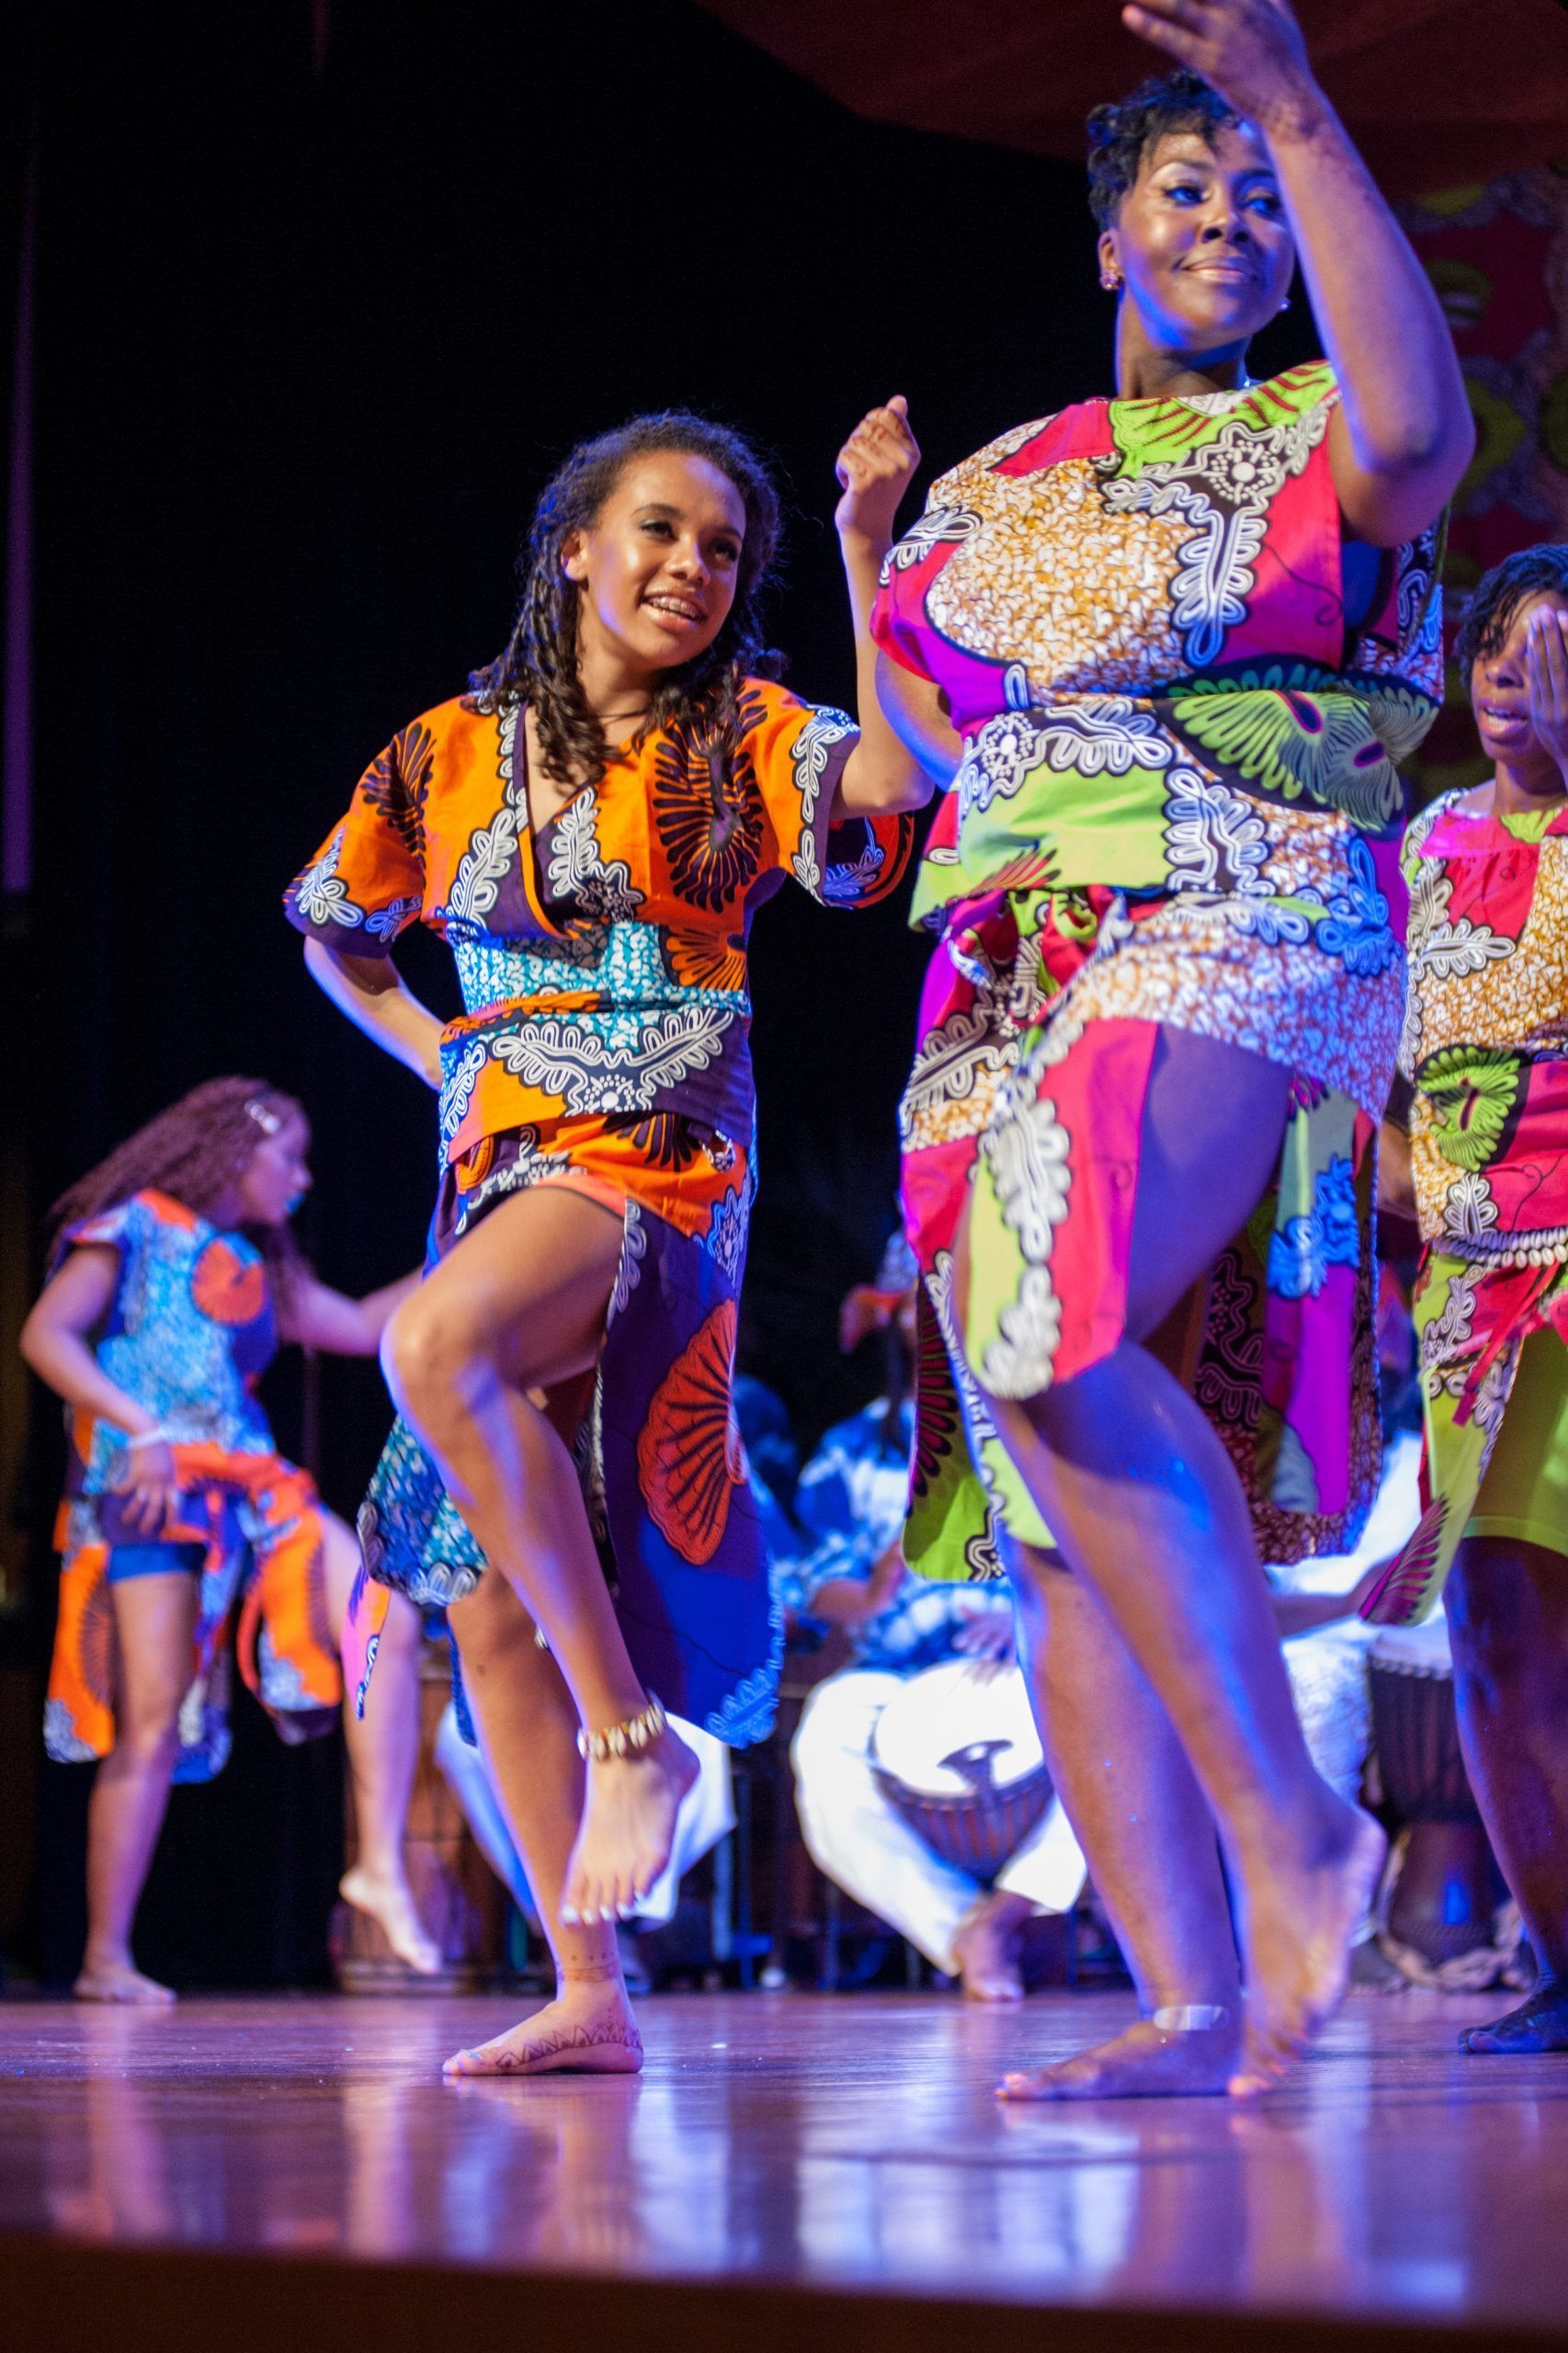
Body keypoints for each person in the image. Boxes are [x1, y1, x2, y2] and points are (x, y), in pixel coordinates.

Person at [869, 0, 1472, 2097]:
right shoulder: (988, 484)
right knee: (1047, 1500)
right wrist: (858, 559)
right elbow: (911, 757)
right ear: (1107, 235)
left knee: (1042, 1316)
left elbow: (1420, 447)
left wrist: (1297, 103)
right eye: (1185, 187)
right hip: (994, 983)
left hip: (1237, 892)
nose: (1228, 219)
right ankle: (1192, 1993)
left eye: (1256, 197)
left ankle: (1298, 1841)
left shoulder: (1311, 417)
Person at [287, 408, 926, 2076]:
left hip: (662, 1144)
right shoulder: (444, 751)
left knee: (431, 1344)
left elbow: (890, 785)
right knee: (492, 1592)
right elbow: (339, 930)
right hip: (502, 1162)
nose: (691, 568)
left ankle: (630, 1735)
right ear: (575, 547)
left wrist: (861, 547)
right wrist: (449, 1057)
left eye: (723, 550)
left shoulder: (743, 731)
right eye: (659, 530)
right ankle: (589, 1996)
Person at [20, 1079, 434, 2002]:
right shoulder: (132, 1227)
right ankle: (103, 1958)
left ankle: (377, 1866)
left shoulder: (254, 1268)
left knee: (383, 1615)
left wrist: (463, 1247)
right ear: (235, 1151)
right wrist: (141, 1427)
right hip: (151, 1489)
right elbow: (47, 1336)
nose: (303, 1177)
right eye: (289, 1156)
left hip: (249, 1485)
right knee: (151, 1721)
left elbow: (362, 1326)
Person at [1369, 545, 1568, 2052]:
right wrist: (1401, 1194)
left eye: (1549, 652)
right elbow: (1367, 1057)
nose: (1511, 670)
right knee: (1497, 1631)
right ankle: (1560, 1961)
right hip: (1466, 1288)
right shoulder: (1423, 847)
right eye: (1497, 642)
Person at [790, 1237, 1086, 1998]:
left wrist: (1031, 1621)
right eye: (922, 1305)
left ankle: (1014, 1909)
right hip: (892, 1671)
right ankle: (962, 1929)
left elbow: (1100, 1565)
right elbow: (815, 1581)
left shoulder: (1050, 1432)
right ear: (898, 1321)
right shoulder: (852, 1449)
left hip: (1038, 1656)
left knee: (1128, 1718)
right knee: (823, 1740)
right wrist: (874, 1585)